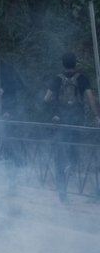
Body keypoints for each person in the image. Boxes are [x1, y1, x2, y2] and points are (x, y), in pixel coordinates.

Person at [43, 52, 100, 200]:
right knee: (74, 144)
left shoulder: (57, 79)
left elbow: (47, 98)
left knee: (61, 149)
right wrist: (96, 116)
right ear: (75, 63)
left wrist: (54, 110)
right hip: (77, 120)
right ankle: (73, 166)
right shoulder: (81, 78)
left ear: (63, 63)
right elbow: (90, 98)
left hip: (61, 120)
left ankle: (63, 192)